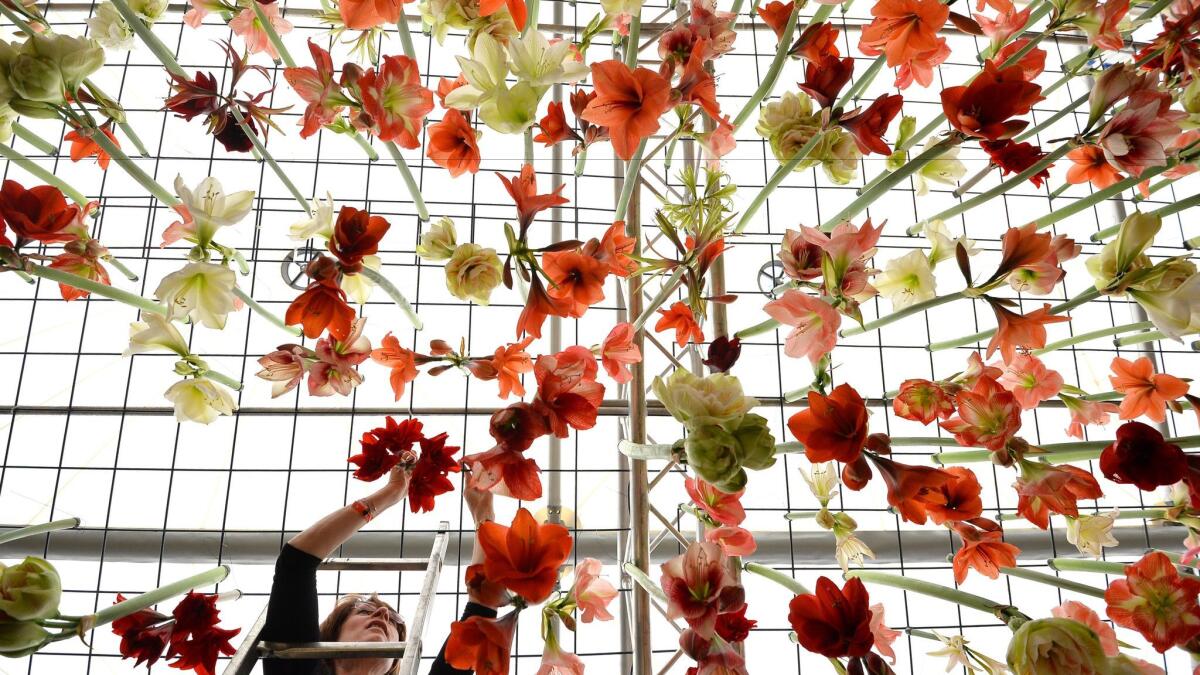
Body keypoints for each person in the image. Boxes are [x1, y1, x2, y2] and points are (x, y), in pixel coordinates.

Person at [260, 465, 499, 675]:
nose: (383, 615)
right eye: (364, 610)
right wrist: (390, 494)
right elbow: (296, 563)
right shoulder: (296, 665)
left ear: (396, 662)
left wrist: (483, 514)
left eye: (395, 622)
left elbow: (482, 605)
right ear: (332, 635)